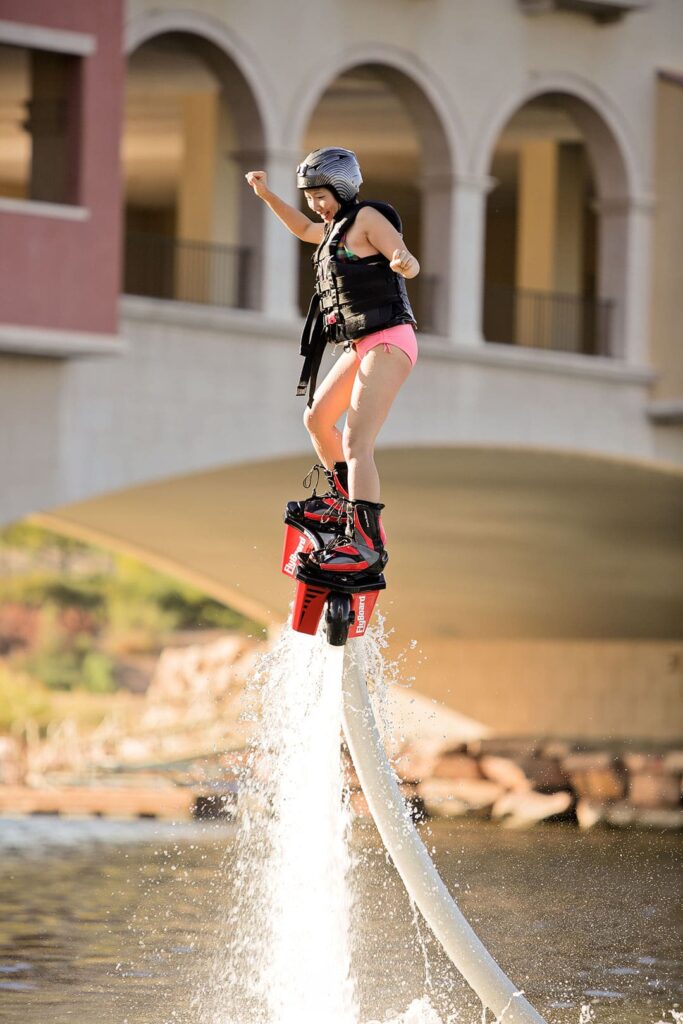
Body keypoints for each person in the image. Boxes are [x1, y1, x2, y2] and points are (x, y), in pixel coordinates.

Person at [245, 147, 420, 576]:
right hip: (359, 344)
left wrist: (405, 263)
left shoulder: (367, 220)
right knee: (317, 419)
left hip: (389, 340)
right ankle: (346, 505)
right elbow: (303, 227)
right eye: (310, 196)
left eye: (321, 195)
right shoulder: (332, 229)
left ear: (342, 187)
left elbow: (404, 258)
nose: (315, 206)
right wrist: (267, 195)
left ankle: (367, 543)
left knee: (359, 442)